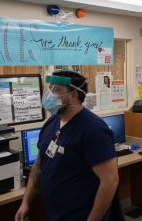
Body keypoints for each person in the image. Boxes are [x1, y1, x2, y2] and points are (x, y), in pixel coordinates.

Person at [15, 71, 119, 221]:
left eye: (56, 90)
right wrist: (26, 202)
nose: (49, 95)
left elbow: (110, 181)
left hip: (81, 215)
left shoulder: (93, 129)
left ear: (73, 95)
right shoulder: (52, 122)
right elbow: (39, 165)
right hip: (56, 213)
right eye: (49, 89)